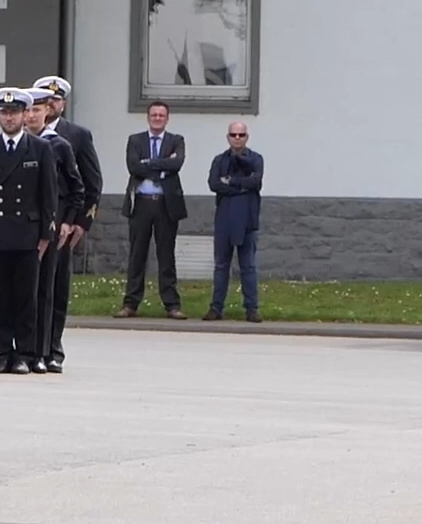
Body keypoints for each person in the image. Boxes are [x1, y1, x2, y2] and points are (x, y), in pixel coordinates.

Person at [0, 87, 54, 374]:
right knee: (0, 297)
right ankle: (4, 351)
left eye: (15, 112)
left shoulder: (40, 149)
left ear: (24, 115)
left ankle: (26, 354)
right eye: (5, 113)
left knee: (26, 298)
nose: (10, 118)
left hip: (27, 233)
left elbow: (48, 195)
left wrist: (45, 234)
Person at [34, 76, 101, 369]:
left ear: (63, 103)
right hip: (31, 222)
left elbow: (90, 184)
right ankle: (30, 348)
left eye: (55, 100)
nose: (50, 106)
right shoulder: (28, 131)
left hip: (63, 223)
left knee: (56, 288)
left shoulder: (77, 135)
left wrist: (80, 223)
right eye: (45, 101)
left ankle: (53, 349)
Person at [23, 86, 83, 373]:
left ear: (48, 111)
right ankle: (24, 348)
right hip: (23, 225)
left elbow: (77, 188)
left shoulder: (59, 145)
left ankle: (46, 350)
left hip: (54, 225)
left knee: (49, 290)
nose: (32, 115)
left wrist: (70, 222)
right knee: (25, 291)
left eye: (38, 109)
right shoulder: (17, 143)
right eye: (28, 110)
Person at [117, 100, 188, 320]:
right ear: (148, 117)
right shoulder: (135, 140)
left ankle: (172, 305)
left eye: (161, 115)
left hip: (166, 204)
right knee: (137, 255)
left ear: (167, 118)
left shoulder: (176, 140)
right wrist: (162, 165)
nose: (157, 118)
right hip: (141, 202)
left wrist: (149, 164)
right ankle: (130, 304)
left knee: (166, 255)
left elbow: (177, 165)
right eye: (154, 115)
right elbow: (133, 166)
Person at [205, 121, 263, 322]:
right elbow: (214, 184)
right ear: (228, 137)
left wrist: (230, 182)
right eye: (233, 134)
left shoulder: (256, 159)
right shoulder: (219, 160)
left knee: (248, 266)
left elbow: (256, 182)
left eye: (241, 135)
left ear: (247, 137)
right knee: (221, 266)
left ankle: (251, 308)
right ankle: (216, 308)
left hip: (248, 219)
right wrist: (241, 188)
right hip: (225, 219)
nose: (237, 138)